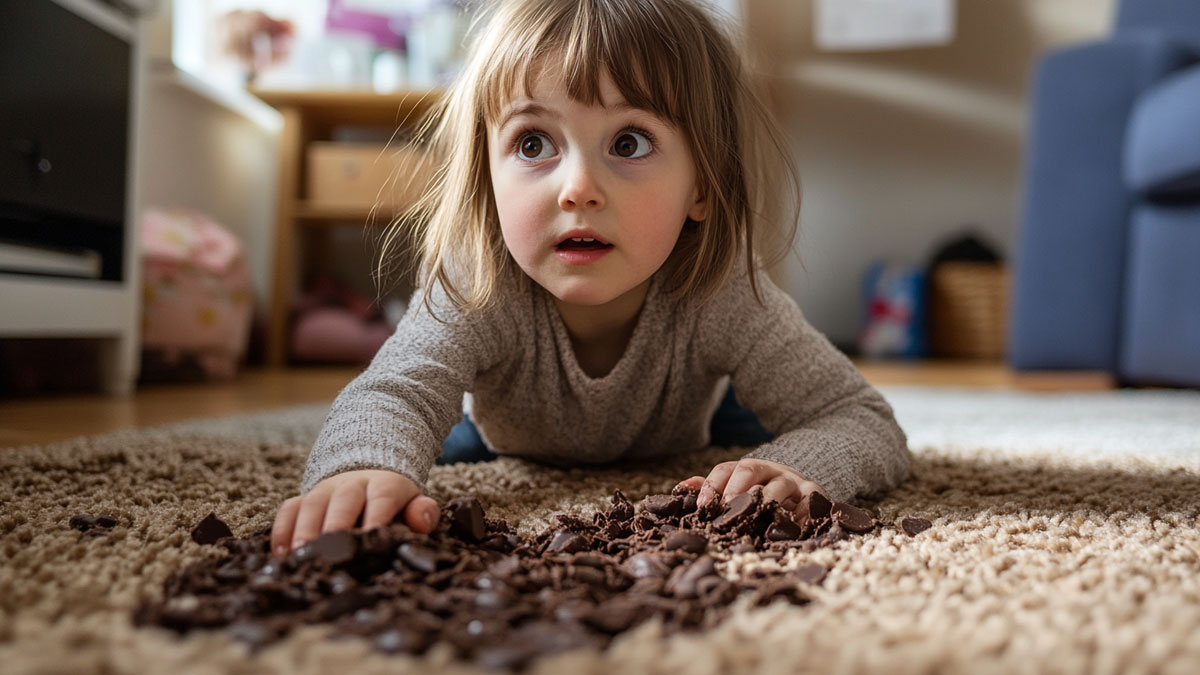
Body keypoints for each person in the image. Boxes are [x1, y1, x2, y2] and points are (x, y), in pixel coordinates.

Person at [271, 0, 910, 557]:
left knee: (751, 461)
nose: (577, 189)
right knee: (407, 447)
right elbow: (395, 394)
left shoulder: (722, 293)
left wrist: (797, 467)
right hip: (503, 435)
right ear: (486, 181)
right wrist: (357, 471)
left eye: (629, 143)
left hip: (691, 430)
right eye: (532, 144)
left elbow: (861, 419)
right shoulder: (478, 283)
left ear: (703, 187)